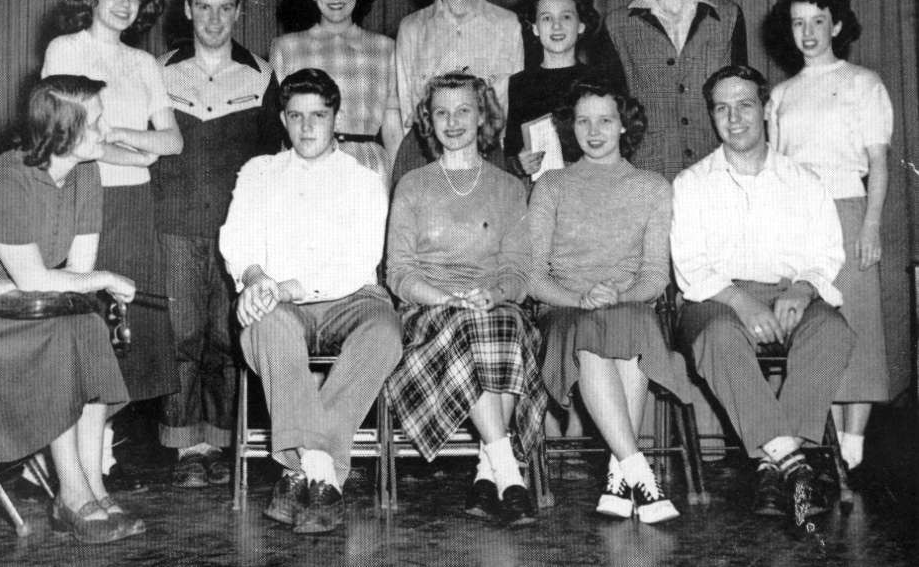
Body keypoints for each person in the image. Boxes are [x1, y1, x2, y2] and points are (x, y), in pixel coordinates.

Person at [0, 75, 144, 543]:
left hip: (18, 305)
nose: (107, 130)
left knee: (88, 324)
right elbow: (41, 280)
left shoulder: (86, 171)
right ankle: (72, 495)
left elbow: (75, 275)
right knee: (59, 339)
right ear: (64, 132)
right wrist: (102, 280)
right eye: (97, 121)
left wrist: (87, 285)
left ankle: (96, 490)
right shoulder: (9, 175)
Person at [219, 68, 401, 534]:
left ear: (335, 117)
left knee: (384, 334)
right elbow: (237, 238)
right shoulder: (258, 172)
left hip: (350, 297)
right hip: (280, 303)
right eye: (296, 116)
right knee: (270, 326)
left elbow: (359, 260)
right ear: (282, 118)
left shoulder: (363, 179)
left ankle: (301, 469)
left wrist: (284, 288)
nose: (306, 127)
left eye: (318, 115)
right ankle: (322, 474)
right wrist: (256, 278)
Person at [671, 65, 855, 520]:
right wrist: (739, 300)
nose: (734, 118)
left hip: (790, 294)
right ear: (712, 116)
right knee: (718, 339)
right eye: (722, 108)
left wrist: (803, 287)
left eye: (745, 105)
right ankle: (796, 463)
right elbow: (690, 267)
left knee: (833, 333)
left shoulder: (804, 180)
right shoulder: (691, 184)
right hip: (716, 300)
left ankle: (773, 470)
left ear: (766, 109)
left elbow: (827, 254)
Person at [42, 0, 182, 487]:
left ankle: (93, 449)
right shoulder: (66, 49)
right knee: (81, 328)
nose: (124, 4)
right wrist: (135, 150)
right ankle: (75, 468)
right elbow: (65, 132)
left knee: (130, 337)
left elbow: (171, 141)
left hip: (132, 208)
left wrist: (123, 141)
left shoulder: (145, 64)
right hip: (81, 196)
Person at [385, 73, 547, 527]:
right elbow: (398, 272)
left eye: (463, 111)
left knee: (501, 325)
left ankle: (486, 471)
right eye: (441, 112)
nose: (452, 122)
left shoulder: (509, 187)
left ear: (482, 117)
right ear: (427, 120)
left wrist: (493, 294)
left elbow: (519, 271)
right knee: (470, 326)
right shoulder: (413, 185)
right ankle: (510, 474)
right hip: (427, 312)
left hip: (494, 307)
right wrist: (444, 297)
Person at [529, 83, 691, 524]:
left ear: (624, 125)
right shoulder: (551, 185)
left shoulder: (652, 187)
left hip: (628, 304)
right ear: (570, 127)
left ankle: (619, 478)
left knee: (633, 322)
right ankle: (640, 471)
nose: (594, 131)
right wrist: (579, 297)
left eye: (605, 120)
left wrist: (617, 294)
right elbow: (533, 275)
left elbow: (655, 276)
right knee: (589, 330)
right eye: (583, 121)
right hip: (564, 309)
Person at [152, 0, 284, 488]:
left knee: (228, 338)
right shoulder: (157, 71)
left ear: (237, 11)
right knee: (181, 336)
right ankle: (188, 448)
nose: (213, 18)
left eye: (224, 7)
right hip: (174, 226)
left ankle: (226, 441)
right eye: (202, 6)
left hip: (237, 233)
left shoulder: (262, 75)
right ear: (187, 10)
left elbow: (275, 159)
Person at [765, 0, 891, 471]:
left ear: (836, 25)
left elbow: (877, 164)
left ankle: (852, 448)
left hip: (849, 213)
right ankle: (820, 442)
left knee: (857, 326)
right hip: (797, 220)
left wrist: (872, 226)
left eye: (818, 21)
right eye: (799, 23)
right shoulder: (781, 94)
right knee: (815, 329)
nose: (809, 32)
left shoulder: (863, 83)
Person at [598, 0, 747, 180]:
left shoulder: (728, 16)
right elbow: (611, 112)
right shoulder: (617, 25)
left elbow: (742, 99)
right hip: (647, 177)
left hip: (716, 173)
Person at [392, 0, 524, 182]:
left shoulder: (506, 25)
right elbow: (406, 106)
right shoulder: (412, 28)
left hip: (485, 156)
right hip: (423, 157)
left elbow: (507, 106)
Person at [270, 0, 402, 180]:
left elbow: (392, 129)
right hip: (305, 167)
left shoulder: (385, 48)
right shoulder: (286, 47)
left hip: (366, 168)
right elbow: (276, 126)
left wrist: (399, 183)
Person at [505, 0, 606, 180]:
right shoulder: (519, 84)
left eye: (566, 17)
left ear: (581, 25)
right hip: (538, 191)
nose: (556, 26)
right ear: (534, 27)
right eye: (546, 18)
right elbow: (510, 150)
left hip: (588, 186)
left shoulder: (599, 81)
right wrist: (519, 163)